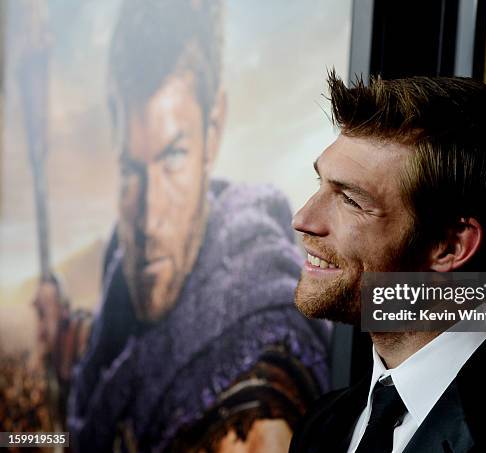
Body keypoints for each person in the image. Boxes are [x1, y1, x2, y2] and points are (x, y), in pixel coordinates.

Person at [34, 1, 330, 451]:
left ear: (213, 129)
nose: (150, 218)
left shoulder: (255, 407)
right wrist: (59, 373)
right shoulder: (118, 313)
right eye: (132, 170)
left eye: (173, 157)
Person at [288, 72, 486, 452]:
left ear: (451, 247)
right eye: (320, 185)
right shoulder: (323, 426)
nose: (303, 219)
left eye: (351, 200)